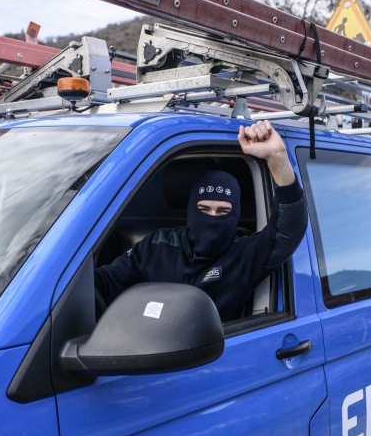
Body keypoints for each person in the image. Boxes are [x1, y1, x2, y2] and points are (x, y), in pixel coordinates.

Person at [94, 120, 308, 321]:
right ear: (190, 211)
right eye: (203, 209)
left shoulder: (243, 255)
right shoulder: (158, 245)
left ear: (235, 216)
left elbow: (287, 230)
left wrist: (277, 157)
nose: (212, 219)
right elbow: (105, 282)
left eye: (223, 211)